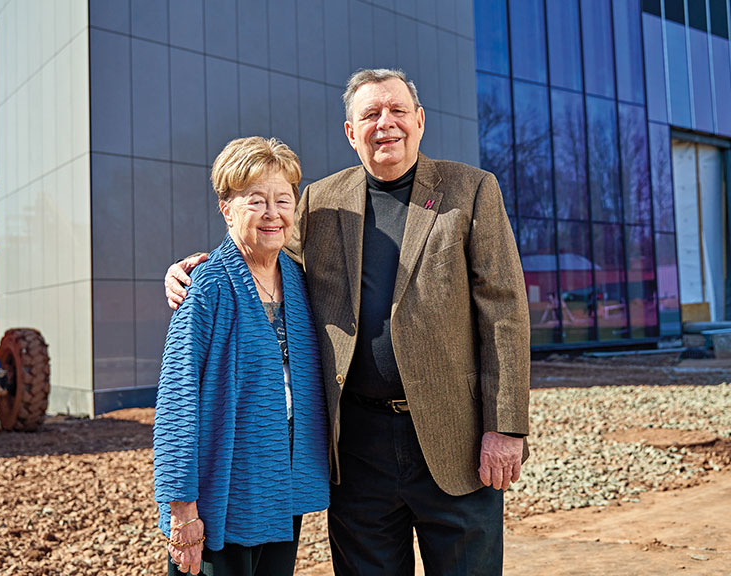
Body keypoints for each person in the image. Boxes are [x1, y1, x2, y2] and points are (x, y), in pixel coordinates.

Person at [166, 69, 530, 575]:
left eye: (398, 111)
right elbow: (261, 256)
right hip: (357, 448)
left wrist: (505, 426)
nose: (387, 124)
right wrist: (196, 266)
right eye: (371, 115)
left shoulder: (471, 192)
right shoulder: (320, 201)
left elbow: (505, 314)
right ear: (350, 131)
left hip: (456, 442)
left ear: (420, 120)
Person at [153, 136, 329, 576]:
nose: (273, 213)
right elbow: (177, 405)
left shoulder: (300, 280)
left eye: (283, 199)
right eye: (256, 200)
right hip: (223, 493)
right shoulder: (207, 287)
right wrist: (182, 510)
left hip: (281, 484)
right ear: (226, 208)